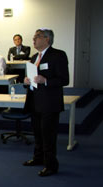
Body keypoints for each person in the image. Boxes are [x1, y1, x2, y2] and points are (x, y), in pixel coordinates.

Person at [23, 28, 69, 177]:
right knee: (37, 134)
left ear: (47, 39)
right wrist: (26, 81)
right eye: (34, 36)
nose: (34, 39)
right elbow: (31, 78)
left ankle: (51, 165)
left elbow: (64, 80)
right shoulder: (34, 57)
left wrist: (46, 80)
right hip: (34, 101)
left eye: (37, 37)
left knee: (48, 136)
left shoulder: (58, 55)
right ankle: (38, 158)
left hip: (50, 103)